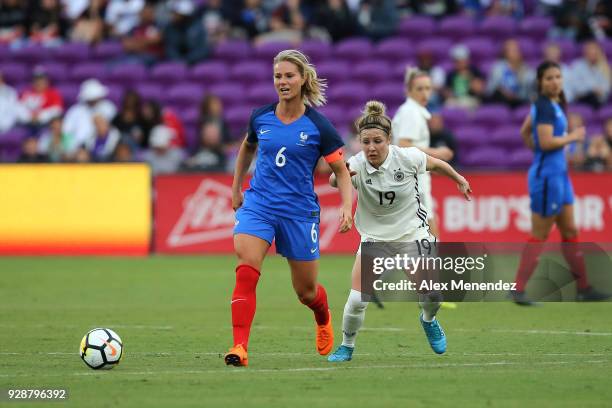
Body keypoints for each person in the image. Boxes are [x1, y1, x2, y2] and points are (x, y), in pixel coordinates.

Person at [224, 49, 353, 367]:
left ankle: (322, 316)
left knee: (306, 292)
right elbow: (247, 147)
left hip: (298, 212)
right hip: (260, 204)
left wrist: (347, 206)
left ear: (303, 79)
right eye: (278, 76)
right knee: (246, 268)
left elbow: (341, 172)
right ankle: (239, 347)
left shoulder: (318, 126)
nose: (282, 82)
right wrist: (237, 186)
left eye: (288, 76)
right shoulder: (261, 117)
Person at [326, 100, 472, 362]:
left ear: (389, 139)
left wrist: (459, 179)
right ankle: (347, 346)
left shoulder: (408, 157)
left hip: (412, 235)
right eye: (365, 141)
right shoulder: (357, 163)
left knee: (433, 296)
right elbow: (335, 179)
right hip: (374, 240)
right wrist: (341, 176)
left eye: (377, 141)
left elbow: (438, 164)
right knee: (358, 299)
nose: (371, 147)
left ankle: (428, 320)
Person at [511, 61, 610, 306]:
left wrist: (545, 152)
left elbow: (525, 131)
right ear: (540, 82)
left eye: (558, 77)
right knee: (540, 234)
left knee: (570, 231)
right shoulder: (544, 106)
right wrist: (572, 138)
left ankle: (584, 288)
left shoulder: (553, 104)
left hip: (560, 177)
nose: (555, 81)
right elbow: (545, 142)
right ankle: (518, 289)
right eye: (549, 78)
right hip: (547, 179)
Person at [392, 68, 454, 239]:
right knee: (427, 224)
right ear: (408, 90)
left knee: (422, 225)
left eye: (428, 88)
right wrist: (437, 153)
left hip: (414, 177)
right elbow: (404, 145)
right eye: (419, 88)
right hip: (413, 180)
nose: (425, 93)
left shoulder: (413, 111)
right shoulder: (411, 112)